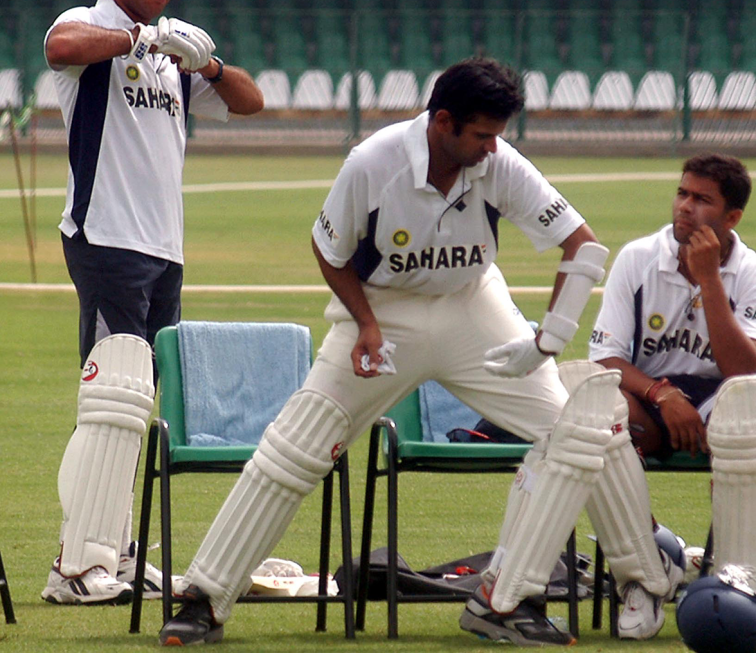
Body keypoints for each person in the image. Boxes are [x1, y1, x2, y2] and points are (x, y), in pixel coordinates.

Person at [158, 58, 615, 647]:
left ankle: (505, 600)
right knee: (295, 448)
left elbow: (582, 246)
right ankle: (204, 598)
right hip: (382, 311)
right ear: (443, 122)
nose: (491, 149)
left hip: (473, 307)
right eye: (481, 135)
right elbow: (330, 250)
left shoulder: (499, 162)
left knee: (572, 434)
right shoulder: (373, 163)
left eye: (498, 136)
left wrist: (546, 341)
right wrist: (367, 325)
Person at [41, 0, 264, 606]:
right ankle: (77, 566)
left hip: (163, 247)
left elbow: (250, 102)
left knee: (137, 403)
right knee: (110, 399)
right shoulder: (91, 26)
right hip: (107, 239)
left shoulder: (173, 53)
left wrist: (211, 65)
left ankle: (116, 552)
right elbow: (59, 45)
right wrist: (141, 37)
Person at [584, 154, 756, 639]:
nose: (685, 207)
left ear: (731, 218)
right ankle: (645, 575)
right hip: (648, 397)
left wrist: (710, 278)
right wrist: (663, 393)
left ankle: (737, 588)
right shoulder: (637, 258)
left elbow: (743, 368)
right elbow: (606, 358)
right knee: (593, 411)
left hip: (720, 399)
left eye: (702, 200)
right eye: (683, 194)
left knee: (751, 412)